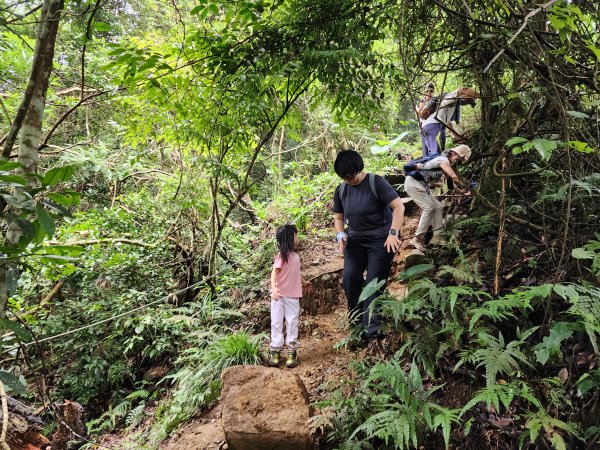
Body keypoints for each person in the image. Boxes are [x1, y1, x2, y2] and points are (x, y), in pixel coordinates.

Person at [332, 150, 405, 343]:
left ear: (358, 168)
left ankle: (372, 331)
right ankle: (356, 327)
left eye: (351, 175)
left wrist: (393, 232)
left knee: (373, 284)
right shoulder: (341, 190)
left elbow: (399, 207)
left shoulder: (376, 182)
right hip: (355, 240)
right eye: (344, 177)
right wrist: (340, 234)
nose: (348, 179)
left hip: (381, 240)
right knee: (350, 278)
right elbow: (338, 217)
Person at [404, 144, 472, 251]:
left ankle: (438, 236)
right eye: (459, 158)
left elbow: (450, 184)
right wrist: (468, 186)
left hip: (421, 185)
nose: (458, 161)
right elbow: (454, 177)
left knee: (438, 206)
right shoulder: (443, 160)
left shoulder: (445, 164)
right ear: (453, 153)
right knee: (429, 208)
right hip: (413, 183)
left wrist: (463, 193)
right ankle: (417, 238)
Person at [269, 224, 311, 368]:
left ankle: (292, 351)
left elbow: (296, 273)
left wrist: (304, 282)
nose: (297, 237)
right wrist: (274, 288)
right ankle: (275, 349)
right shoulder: (281, 256)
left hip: (293, 295)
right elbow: (274, 273)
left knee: (292, 322)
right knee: (276, 322)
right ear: (290, 238)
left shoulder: (296, 257)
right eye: (295, 234)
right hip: (279, 296)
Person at [420, 87, 478, 157]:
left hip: (426, 128)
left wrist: (459, 138)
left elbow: (450, 126)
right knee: (436, 156)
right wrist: (480, 95)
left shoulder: (451, 106)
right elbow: (464, 89)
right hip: (434, 126)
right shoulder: (449, 97)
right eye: (468, 99)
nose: (467, 101)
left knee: (431, 155)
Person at [416, 82, 442, 157]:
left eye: (431, 91)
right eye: (427, 91)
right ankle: (426, 161)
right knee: (425, 145)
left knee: (433, 142)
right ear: (424, 92)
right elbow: (418, 115)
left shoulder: (435, 100)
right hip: (422, 125)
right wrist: (422, 106)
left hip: (433, 124)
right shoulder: (422, 101)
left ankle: (437, 157)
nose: (429, 93)